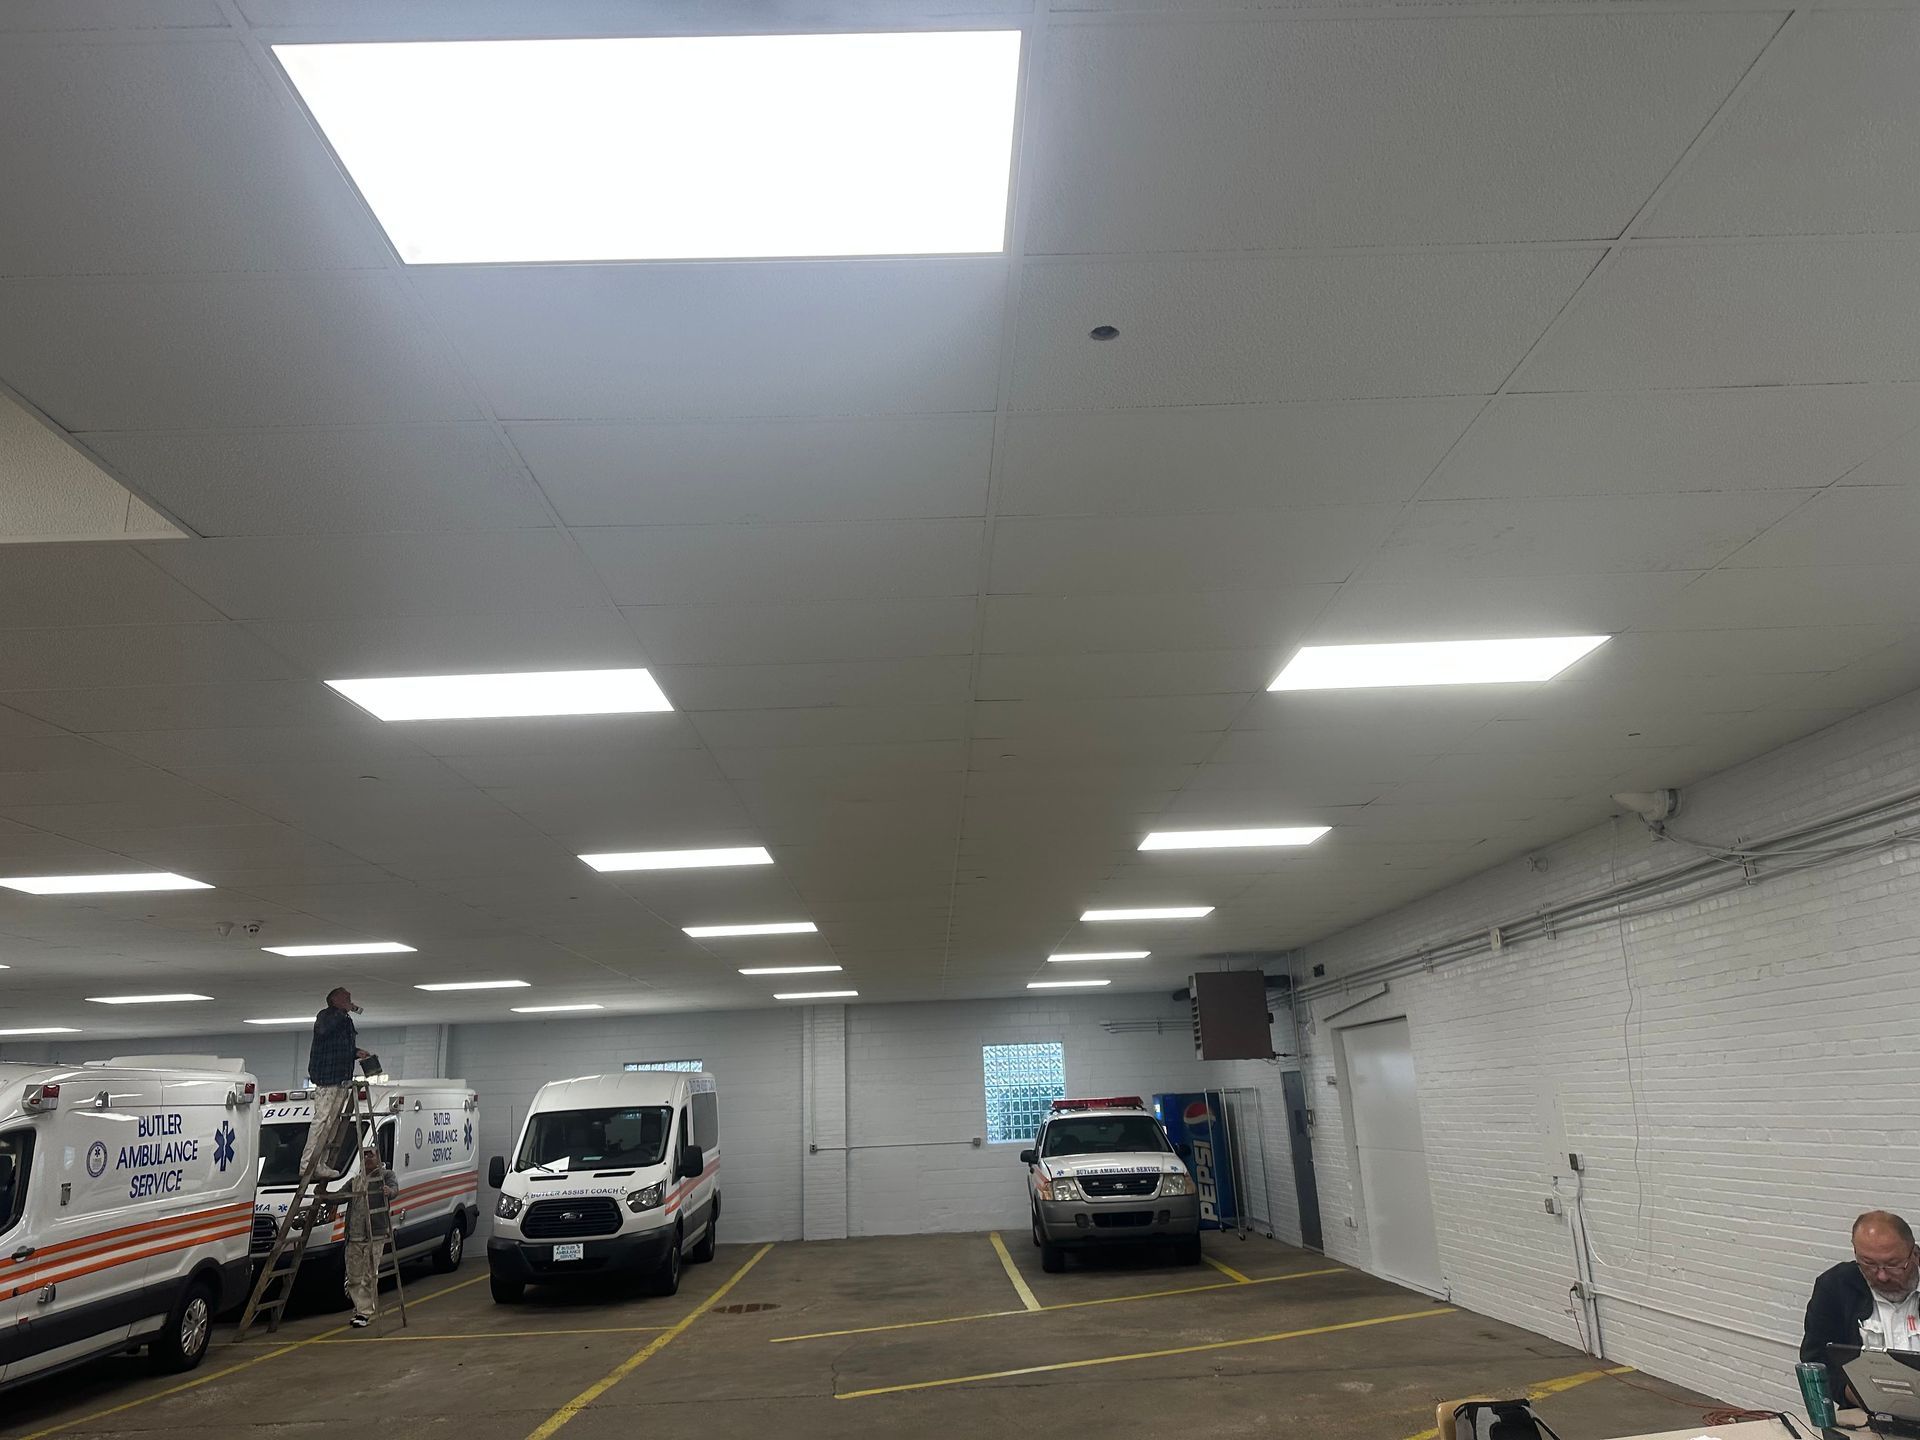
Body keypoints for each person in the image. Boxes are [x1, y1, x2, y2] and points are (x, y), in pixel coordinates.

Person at [1802, 1209, 1920, 1400]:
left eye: (1893, 1264)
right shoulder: (1835, 1287)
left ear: (1914, 1253)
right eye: (1868, 1264)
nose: (1882, 1275)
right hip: (1865, 1413)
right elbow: (1816, 1361)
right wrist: (1854, 1394)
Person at [300, 987, 370, 1181]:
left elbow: (337, 1046)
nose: (350, 1000)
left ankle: (320, 1164)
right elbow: (323, 1031)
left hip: (339, 1078)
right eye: (346, 998)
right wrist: (341, 1012)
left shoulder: (345, 1019)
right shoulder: (326, 1016)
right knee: (322, 1120)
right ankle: (308, 1164)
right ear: (336, 1000)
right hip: (327, 1078)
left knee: (332, 1123)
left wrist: (355, 1052)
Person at [342, 1135, 399, 1328]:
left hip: (374, 1234)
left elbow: (394, 1189)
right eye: (365, 1155)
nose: (368, 1159)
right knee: (353, 1276)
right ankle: (360, 1308)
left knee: (368, 1274)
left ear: (378, 1157)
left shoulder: (386, 1175)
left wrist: (389, 1192)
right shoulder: (355, 1181)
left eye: (371, 1155)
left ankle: (364, 1312)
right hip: (354, 1235)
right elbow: (341, 1196)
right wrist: (322, 1195)